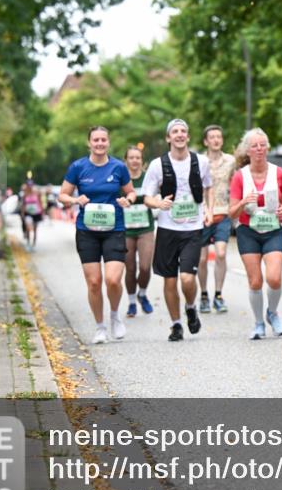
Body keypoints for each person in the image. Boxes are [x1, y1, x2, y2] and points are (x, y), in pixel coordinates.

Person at [59, 126, 136, 345]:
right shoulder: (78, 167)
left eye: (103, 140)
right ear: (89, 143)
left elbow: (131, 191)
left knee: (113, 279)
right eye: (96, 140)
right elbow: (62, 195)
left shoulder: (118, 167)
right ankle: (100, 327)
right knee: (94, 282)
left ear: (108, 142)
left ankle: (115, 316)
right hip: (87, 231)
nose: (100, 143)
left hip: (114, 229)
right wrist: (75, 200)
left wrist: (128, 200)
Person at [143, 119, 214, 342]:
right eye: (175, 131)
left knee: (187, 278)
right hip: (167, 229)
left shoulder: (201, 161)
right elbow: (146, 197)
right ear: (168, 138)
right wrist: (158, 203)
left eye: (183, 131)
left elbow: (209, 187)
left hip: (193, 228)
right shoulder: (157, 165)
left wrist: (209, 210)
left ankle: (191, 307)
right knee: (170, 281)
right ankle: (176, 325)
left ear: (188, 136)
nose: (180, 134)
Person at [228, 128, 282, 340]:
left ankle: (272, 313)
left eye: (263, 145)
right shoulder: (240, 176)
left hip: (273, 230)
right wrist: (243, 202)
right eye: (254, 146)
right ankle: (258, 323)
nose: (259, 149)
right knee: (255, 282)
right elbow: (231, 212)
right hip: (248, 231)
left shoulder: (279, 173)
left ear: (268, 148)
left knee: (274, 278)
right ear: (247, 150)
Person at [196, 125, 236, 314]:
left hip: (223, 213)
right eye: (212, 137)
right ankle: (204, 295)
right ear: (206, 141)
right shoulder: (198, 161)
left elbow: (235, 184)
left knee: (220, 253)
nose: (216, 140)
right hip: (202, 215)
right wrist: (203, 210)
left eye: (219, 136)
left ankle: (218, 295)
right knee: (202, 258)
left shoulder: (230, 161)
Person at [123, 145, 156, 318]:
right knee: (130, 268)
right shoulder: (121, 180)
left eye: (138, 157)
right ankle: (131, 302)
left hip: (145, 228)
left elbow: (156, 196)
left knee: (145, 266)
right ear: (126, 160)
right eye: (131, 157)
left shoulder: (147, 178)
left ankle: (142, 294)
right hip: (126, 230)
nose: (135, 161)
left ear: (142, 161)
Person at [19, 180, 44, 251]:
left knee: (35, 229)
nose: (30, 187)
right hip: (28, 213)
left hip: (36, 213)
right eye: (28, 185)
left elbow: (40, 202)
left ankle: (34, 244)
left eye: (31, 185)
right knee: (28, 228)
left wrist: (42, 212)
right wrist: (22, 213)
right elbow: (23, 205)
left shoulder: (37, 193)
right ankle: (28, 243)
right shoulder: (25, 194)